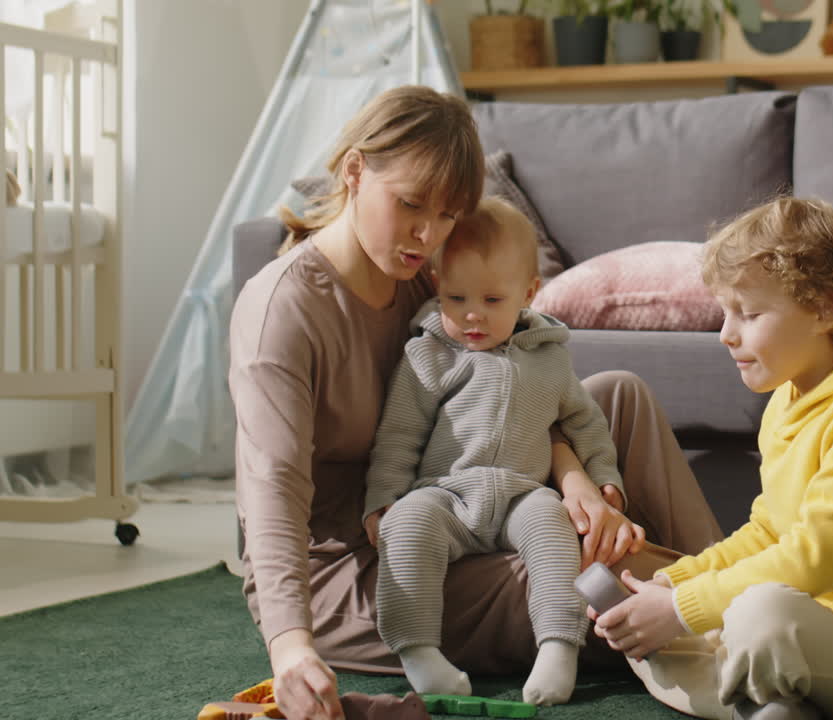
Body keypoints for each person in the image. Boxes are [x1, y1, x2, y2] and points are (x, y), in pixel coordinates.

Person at [228, 86, 723, 720]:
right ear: (354, 170)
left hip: (469, 496)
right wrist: (291, 646)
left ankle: (726, 575)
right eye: (410, 206)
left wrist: (575, 479)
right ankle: (734, 608)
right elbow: (271, 487)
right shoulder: (283, 312)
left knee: (619, 394)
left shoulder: (419, 277)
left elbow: (501, 393)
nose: (427, 235)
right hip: (366, 565)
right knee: (567, 581)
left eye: (446, 217)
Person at [592, 196, 833, 720]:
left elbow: (811, 559)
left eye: (749, 314)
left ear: (826, 310)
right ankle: (773, 698)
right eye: (726, 312)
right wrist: (674, 585)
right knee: (631, 593)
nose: (726, 334)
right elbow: (768, 532)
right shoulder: (790, 397)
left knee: (759, 612)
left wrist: (683, 611)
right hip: (819, 624)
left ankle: (762, 694)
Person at [362, 196, 641, 705]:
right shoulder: (427, 354)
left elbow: (585, 423)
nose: (471, 315)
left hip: (521, 494)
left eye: (492, 301)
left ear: (529, 294)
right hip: (447, 494)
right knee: (406, 524)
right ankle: (418, 652)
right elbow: (399, 435)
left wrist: (604, 480)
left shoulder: (550, 359)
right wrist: (384, 499)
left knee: (556, 529)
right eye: (455, 298)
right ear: (437, 289)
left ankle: (559, 647)